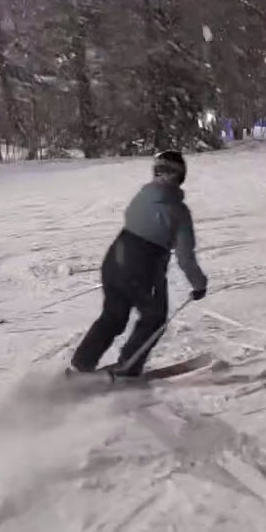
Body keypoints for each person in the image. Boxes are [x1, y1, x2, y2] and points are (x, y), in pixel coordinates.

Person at [69, 150, 208, 377]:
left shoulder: (142, 196)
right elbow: (185, 256)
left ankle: (80, 365)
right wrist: (199, 283)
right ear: (181, 176)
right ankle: (128, 366)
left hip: (115, 258)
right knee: (154, 317)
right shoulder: (179, 212)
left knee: (114, 316)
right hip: (143, 268)